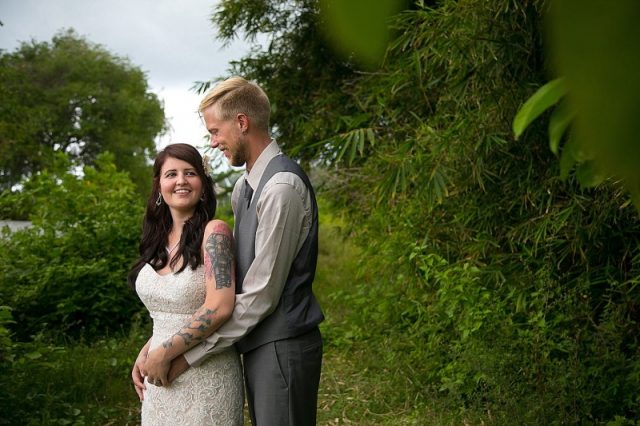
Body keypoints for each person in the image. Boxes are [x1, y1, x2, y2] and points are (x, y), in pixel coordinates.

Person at [150, 76, 325, 425]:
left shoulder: (281, 187)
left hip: (283, 346)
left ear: (242, 123)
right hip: (255, 342)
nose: (213, 143)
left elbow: (261, 294)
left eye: (215, 131)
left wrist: (188, 353)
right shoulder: (244, 188)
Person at [128, 143, 243, 425]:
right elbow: (170, 311)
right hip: (159, 377)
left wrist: (163, 352)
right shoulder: (156, 241)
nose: (180, 181)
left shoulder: (214, 233)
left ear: (203, 185)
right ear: (159, 186)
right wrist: (148, 351)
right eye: (171, 174)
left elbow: (219, 306)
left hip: (205, 374)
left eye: (190, 173)